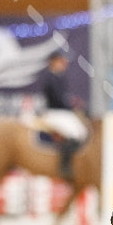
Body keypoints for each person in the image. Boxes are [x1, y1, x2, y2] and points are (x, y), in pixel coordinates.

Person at [42, 50, 87, 181]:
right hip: (55, 113)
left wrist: (73, 103)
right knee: (74, 134)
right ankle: (64, 166)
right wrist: (71, 106)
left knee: (82, 132)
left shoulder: (59, 77)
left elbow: (64, 97)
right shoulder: (50, 77)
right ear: (53, 61)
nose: (64, 64)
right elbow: (58, 100)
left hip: (62, 112)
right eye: (61, 61)